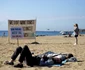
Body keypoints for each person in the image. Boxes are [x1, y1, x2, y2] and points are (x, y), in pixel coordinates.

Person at [4, 45, 74, 68]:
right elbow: (62, 55)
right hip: (32, 58)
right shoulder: (56, 56)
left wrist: (45, 58)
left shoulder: (51, 61)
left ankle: (20, 63)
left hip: (31, 62)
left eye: (58, 60)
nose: (57, 59)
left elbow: (43, 63)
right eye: (58, 58)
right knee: (19, 48)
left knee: (25, 47)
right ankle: (11, 62)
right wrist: (65, 55)